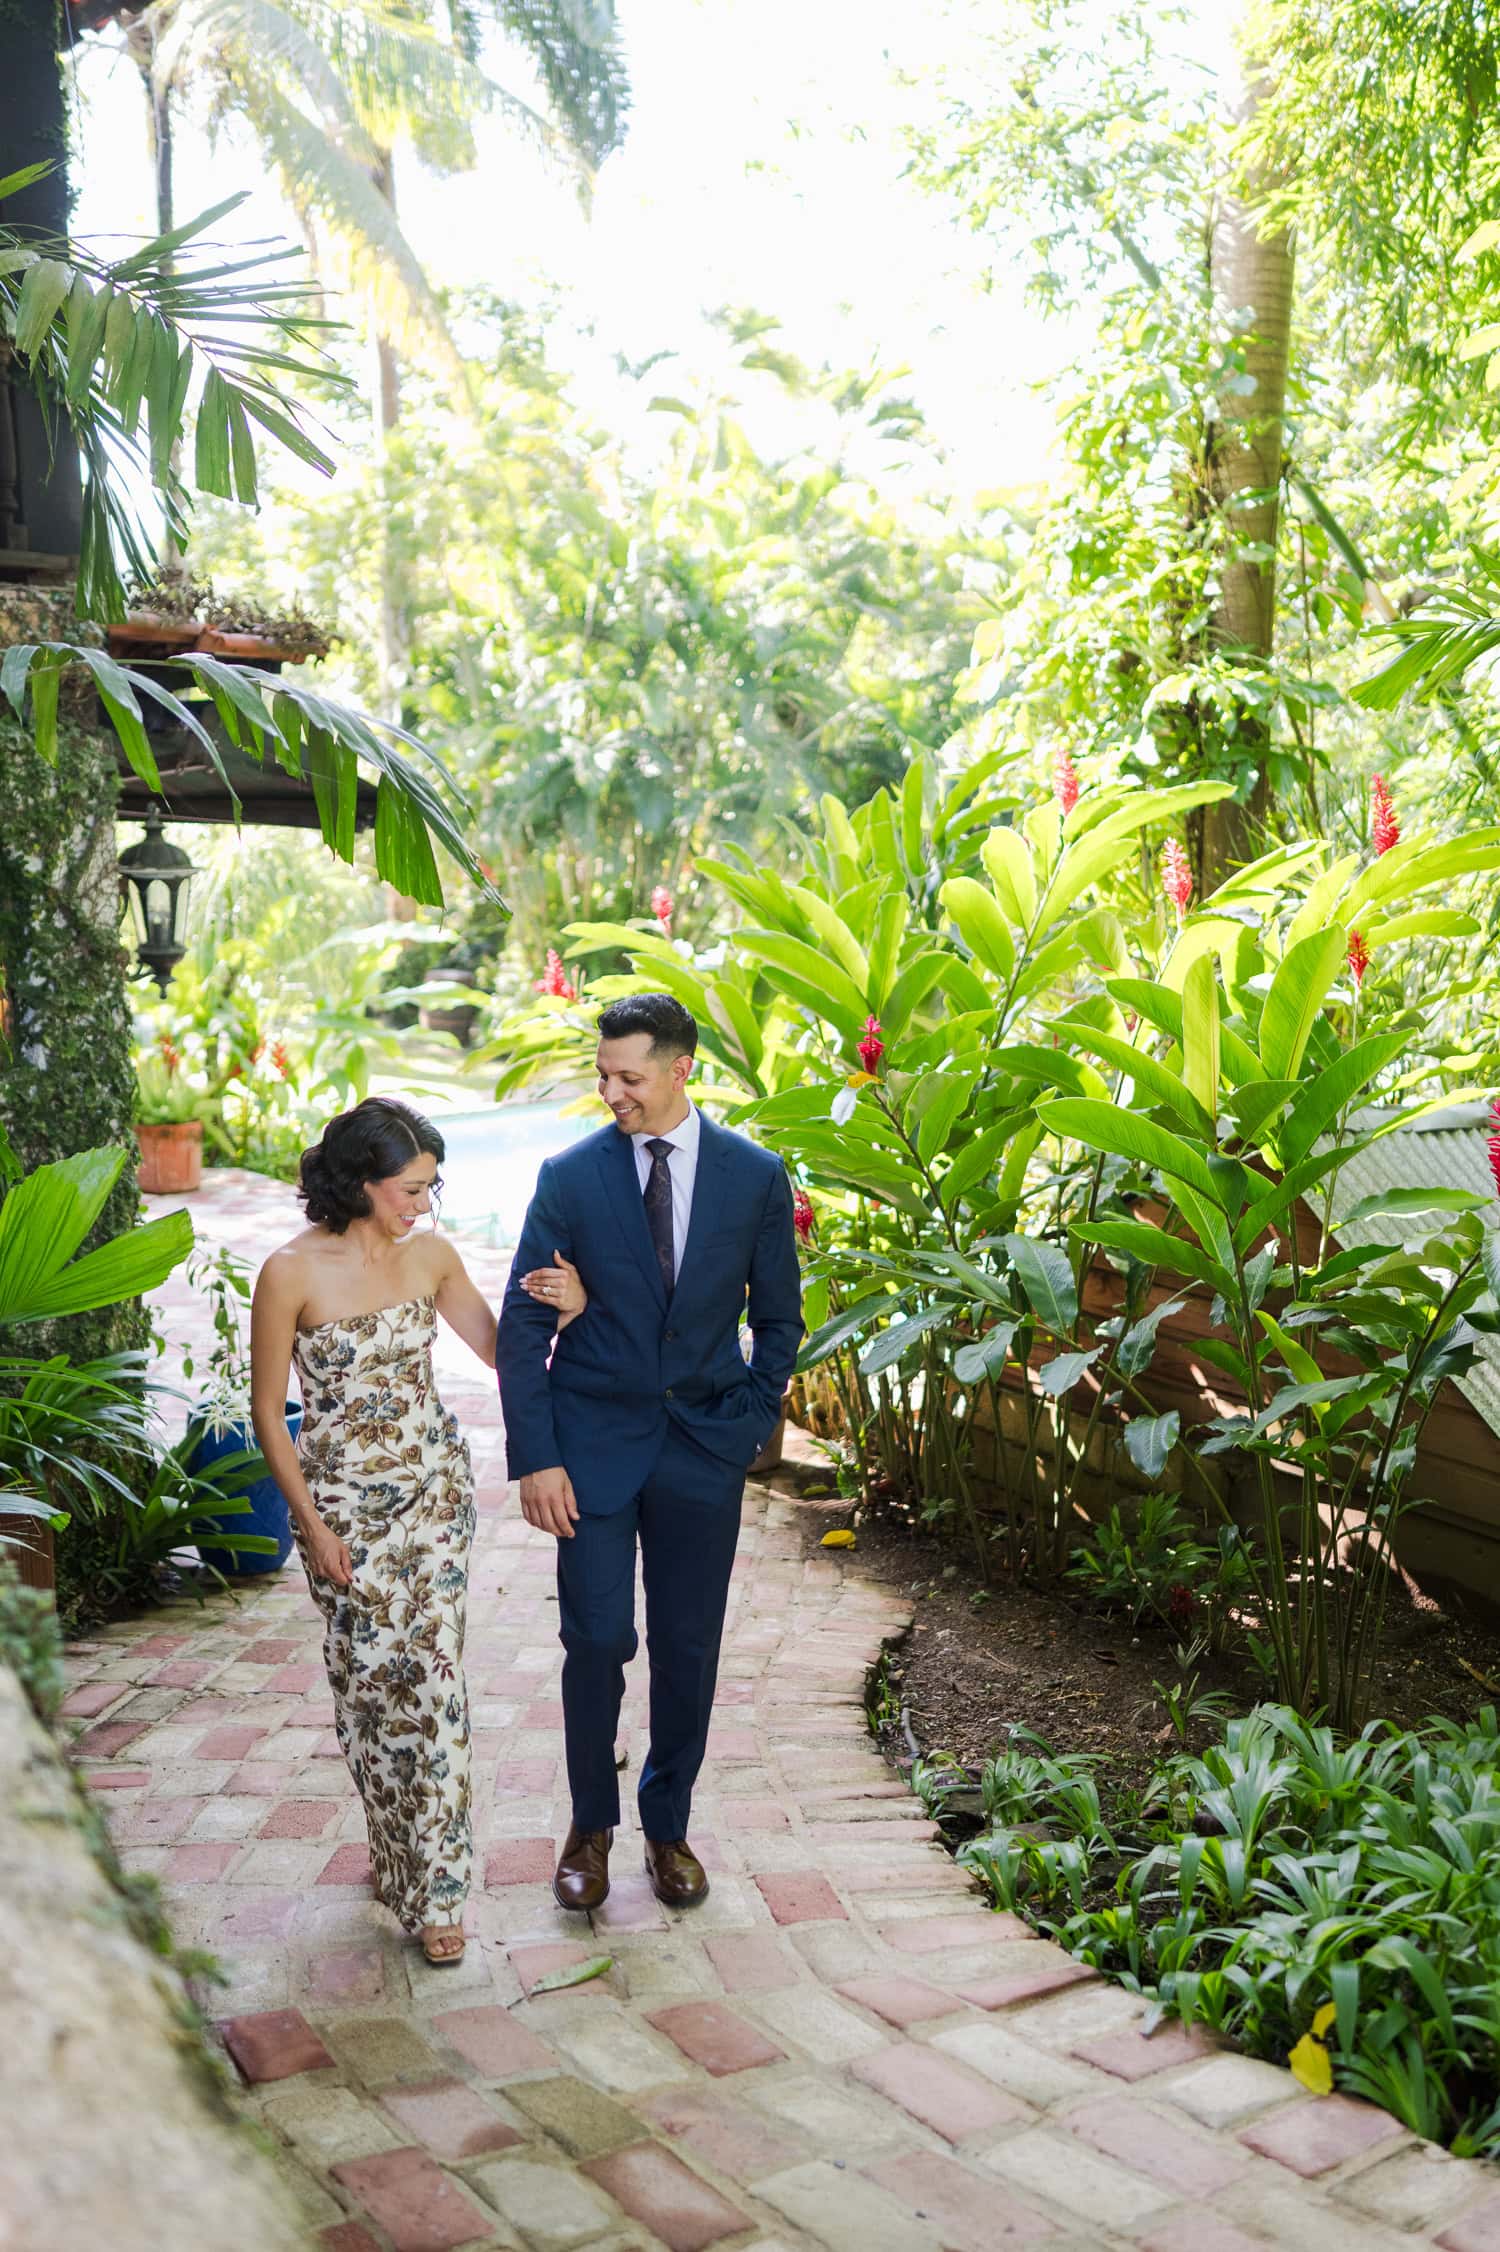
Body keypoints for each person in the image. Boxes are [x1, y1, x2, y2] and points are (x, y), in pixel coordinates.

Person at [250, 1095, 584, 1964]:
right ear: (358, 1182)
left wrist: (575, 1308)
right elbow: (269, 1418)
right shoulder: (289, 1272)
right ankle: (394, 1854)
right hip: (340, 1512)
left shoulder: (431, 1256)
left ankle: (439, 1892)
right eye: (407, 1189)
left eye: (430, 1188)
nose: (421, 1206)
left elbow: (504, 1349)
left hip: (432, 1501)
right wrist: (312, 1528)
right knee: (369, 1690)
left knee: (432, 1691)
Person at [496, 994, 803, 1913]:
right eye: (603, 1075)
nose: (612, 1092)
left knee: (687, 1647)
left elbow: (779, 1320)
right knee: (594, 1639)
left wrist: (750, 1423)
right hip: (589, 1445)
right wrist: (535, 1457)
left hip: (703, 1448)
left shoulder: (754, 1176)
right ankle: (590, 1824)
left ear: (681, 1069)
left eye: (629, 1077)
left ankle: (668, 1826)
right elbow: (520, 1322)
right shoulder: (571, 1174)